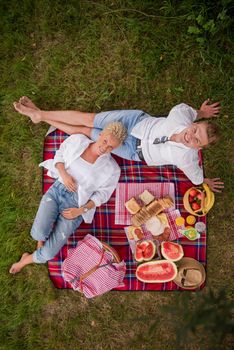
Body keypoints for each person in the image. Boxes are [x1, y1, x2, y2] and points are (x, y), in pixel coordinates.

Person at [13, 97, 224, 192]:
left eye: (197, 141)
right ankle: (40, 114)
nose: (191, 136)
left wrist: (204, 181)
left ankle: (40, 117)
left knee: (87, 133)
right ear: (194, 124)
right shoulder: (181, 113)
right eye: (196, 130)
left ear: (199, 149)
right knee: (88, 119)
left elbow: (196, 176)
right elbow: (191, 112)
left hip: (133, 151)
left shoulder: (186, 158)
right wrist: (202, 112)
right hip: (135, 122)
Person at [9, 121, 127, 274]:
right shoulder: (78, 140)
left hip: (77, 204)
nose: (105, 148)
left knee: (48, 254)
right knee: (37, 232)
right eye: (105, 141)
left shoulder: (112, 169)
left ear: (115, 148)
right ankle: (40, 240)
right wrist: (64, 175)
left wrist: (80, 210)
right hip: (57, 191)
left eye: (111, 147)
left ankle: (26, 259)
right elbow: (59, 155)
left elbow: (102, 196)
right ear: (100, 134)